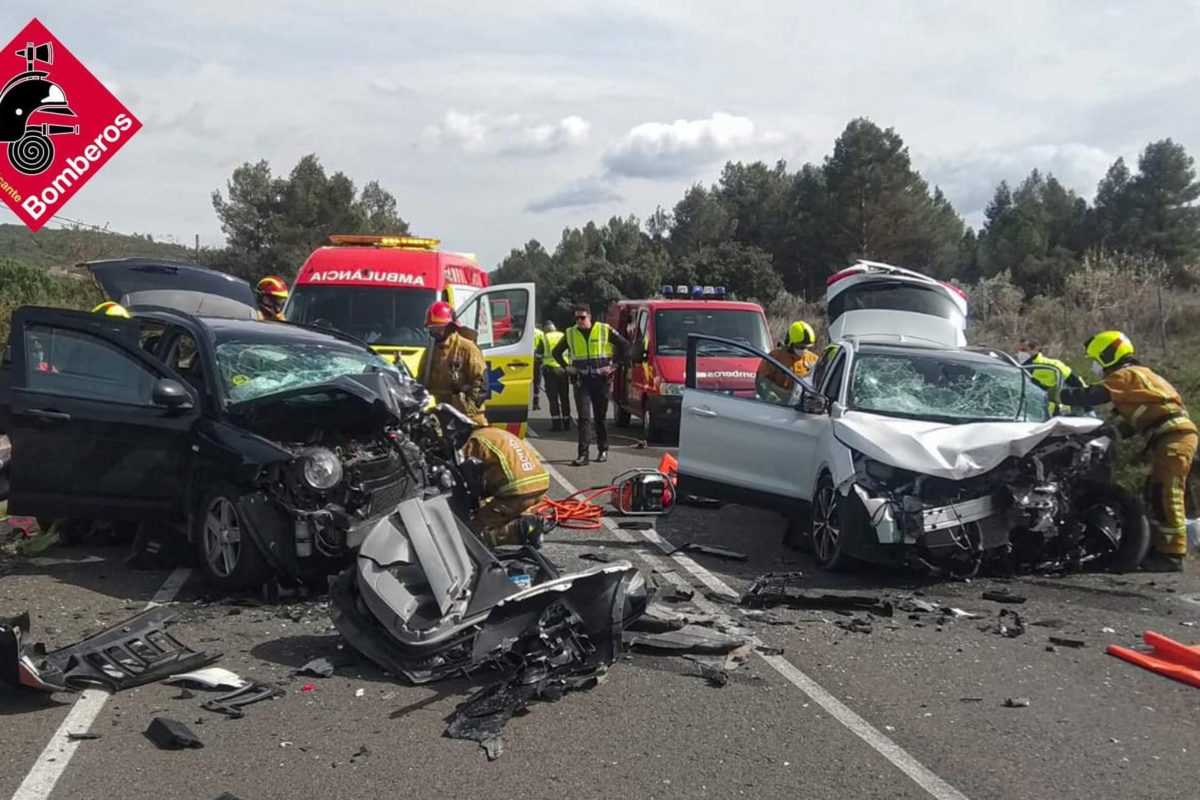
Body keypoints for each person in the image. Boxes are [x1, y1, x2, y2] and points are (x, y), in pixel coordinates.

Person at [1060, 331, 1198, 573]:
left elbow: (1091, 396)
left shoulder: (1126, 375)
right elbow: (1138, 419)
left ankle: (1172, 556)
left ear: (1107, 355)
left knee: (1166, 492)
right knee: (1155, 492)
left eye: (1096, 359)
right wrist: (1106, 431)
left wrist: (1056, 393)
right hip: (1173, 436)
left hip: (1173, 438)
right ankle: (1159, 549)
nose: (1095, 365)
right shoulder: (1140, 376)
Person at [552, 306, 629, 466]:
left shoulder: (603, 330)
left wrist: (615, 365)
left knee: (600, 417)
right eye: (577, 318)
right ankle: (583, 455)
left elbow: (625, 345)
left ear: (590, 317)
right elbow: (556, 352)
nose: (579, 321)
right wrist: (567, 367)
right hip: (581, 380)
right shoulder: (570, 333)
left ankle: (603, 449)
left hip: (601, 379)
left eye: (582, 317)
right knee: (584, 418)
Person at [461, 424, 550, 548]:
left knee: (473, 531)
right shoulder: (498, 433)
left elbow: (469, 476)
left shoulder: (474, 441)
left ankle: (519, 530)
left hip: (518, 492)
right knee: (511, 510)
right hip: (540, 485)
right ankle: (529, 524)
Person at [419, 300, 488, 425]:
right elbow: (421, 382)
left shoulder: (467, 348)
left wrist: (468, 412)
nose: (433, 332)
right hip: (442, 416)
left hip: (468, 417)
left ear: (450, 326)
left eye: (438, 328)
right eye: (431, 328)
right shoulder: (430, 352)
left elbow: (481, 384)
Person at [1016, 337, 1086, 413]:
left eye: (1023, 350)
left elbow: (1076, 383)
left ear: (1035, 350)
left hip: (1046, 410)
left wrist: (1086, 406)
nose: (1020, 353)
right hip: (1020, 409)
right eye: (1018, 350)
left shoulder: (1052, 365)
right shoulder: (1015, 366)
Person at [756, 321, 819, 403]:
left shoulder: (813, 360)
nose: (803, 350)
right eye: (800, 346)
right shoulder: (775, 357)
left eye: (806, 347)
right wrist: (770, 396)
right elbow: (761, 381)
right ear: (790, 343)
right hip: (779, 405)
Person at [539, 321, 571, 431]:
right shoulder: (563, 335)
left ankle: (556, 424)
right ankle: (567, 422)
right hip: (563, 369)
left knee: (553, 398)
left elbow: (539, 354)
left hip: (550, 371)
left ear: (545, 329)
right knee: (564, 396)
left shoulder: (544, 338)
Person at [532, 324, 545, 411]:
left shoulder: (524, 332)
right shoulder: (540, 333)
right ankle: (535, 404)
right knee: (537, 382)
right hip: (537, 360)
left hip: (526, 358)